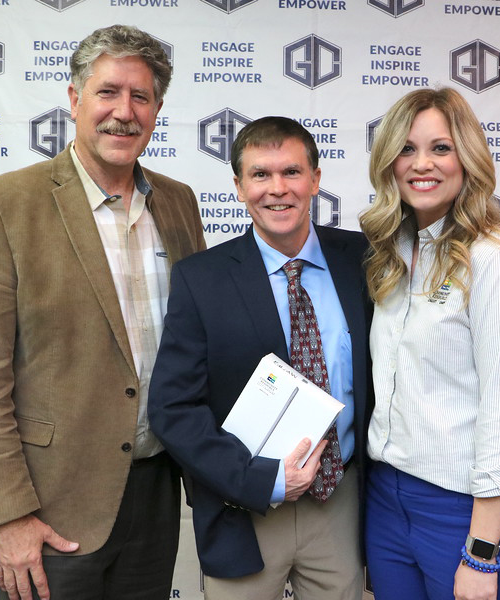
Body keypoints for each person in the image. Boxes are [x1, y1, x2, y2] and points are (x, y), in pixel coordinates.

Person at [0, 24, 205, 600]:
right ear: (74, 100)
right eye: (108, 92)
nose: (123, 112)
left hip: (157, 490)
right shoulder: (1, 204)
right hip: (52, 506)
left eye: (141, 97)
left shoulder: (178, 202)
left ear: (156, 110)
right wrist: (7, 517)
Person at [148, 116, 371, 600]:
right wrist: (259, 480)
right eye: (260, 175)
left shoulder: (363, 259)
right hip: (244, 511)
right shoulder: (201, 279)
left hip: (341, 503)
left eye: (291, 172)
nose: (278, 190)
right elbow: (172, 408)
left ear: (315, 179)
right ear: (238, 185)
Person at [359, 87, 500, 600]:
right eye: (407, 149)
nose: (423, 164)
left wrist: (480, 551)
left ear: (467, 158)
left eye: (440, 148)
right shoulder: (392, 254)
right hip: (388, 499)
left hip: (467, 513)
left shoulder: (494, 260)